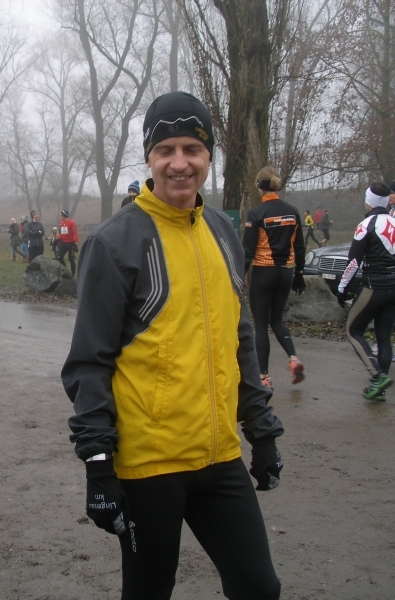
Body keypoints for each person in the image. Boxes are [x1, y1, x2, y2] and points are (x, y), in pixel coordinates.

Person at [62, 91, 283, 600]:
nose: (179, 163)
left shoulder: (223, 230)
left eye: (192, 149)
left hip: (219, 456)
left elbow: (239, 339)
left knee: (259, 588)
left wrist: (262, 430)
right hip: (150, 466)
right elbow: (88, 363)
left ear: (208, 157)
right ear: (150, 157)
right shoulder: (114, 241)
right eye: (166, 150)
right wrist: (97, 464)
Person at [242, 167, 306, 390]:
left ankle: (264, 377)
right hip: (286, 272)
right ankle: (293, 359)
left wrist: (239, 276)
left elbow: (248, 251)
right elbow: (300, 245)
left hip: (263, 271)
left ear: (260, 186)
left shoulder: (256, 213)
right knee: (277, 320)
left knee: (260, 324)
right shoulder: (292, 211)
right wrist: (300, 274)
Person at [337, 182, 395, 400]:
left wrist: (342, 288)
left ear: (368, 202)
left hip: (374, 287)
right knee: (384, 335)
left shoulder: (365, 225)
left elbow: (353, 262)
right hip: (393, 287)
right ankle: (380, 389)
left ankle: (377, 376)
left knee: (353, 330)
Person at [57, 209, 79, 276]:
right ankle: (65, 270)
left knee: (71, 259)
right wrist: (57, 239)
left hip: (71, 243)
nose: (60, 216)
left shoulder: (71, 223)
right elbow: (62, 233)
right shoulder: (61, 222)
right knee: (59, 257)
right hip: (63, 242)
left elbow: (75, 234)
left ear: (64, 215)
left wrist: (76, 243)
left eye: (61, 215)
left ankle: (73, 274)